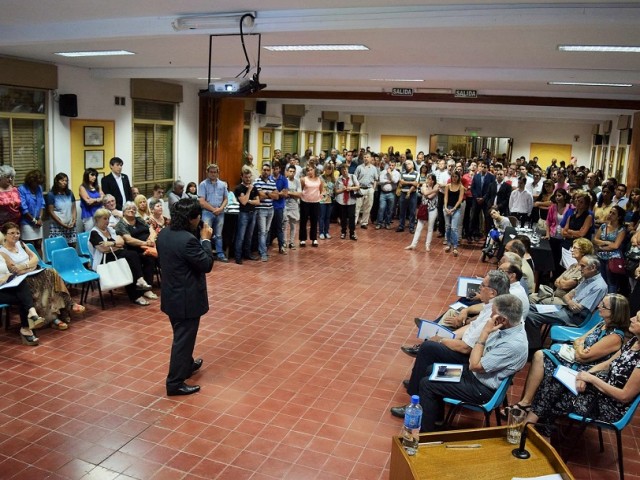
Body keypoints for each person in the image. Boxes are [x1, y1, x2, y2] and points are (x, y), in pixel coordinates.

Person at [524, 307, 640, 436]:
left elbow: (624, 396)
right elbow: (607, 364)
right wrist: (585, 376)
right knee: (554, 380)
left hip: (609, 405)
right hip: (601, 389)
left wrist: (591, 379)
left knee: (555, 392)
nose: (631, 319)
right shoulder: (633, 342)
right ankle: (533, 427)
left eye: (638, 319)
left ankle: (531, 428)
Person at [512, 293, 628, 413]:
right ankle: (526, 402)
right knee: (540, 355)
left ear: (615, 312)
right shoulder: (603, 324)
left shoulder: (615, 337)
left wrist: (580, 348)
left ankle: (529, 405)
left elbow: (582, 357)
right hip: (578, 361)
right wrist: (581, 346)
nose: (599, 306)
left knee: (542, 359)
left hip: (586, 369)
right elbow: (579, 340)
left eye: (604, 305)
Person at [157, 198, 214, 396]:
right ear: (193, 219)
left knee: (183, 336)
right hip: (186, 298)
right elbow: (206, 264)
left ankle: (187, 365)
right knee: (182, 339)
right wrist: (205, 239)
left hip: (171, 294)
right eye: (198, 217)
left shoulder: (164, 233)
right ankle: (174, 383)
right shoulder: (188, 240)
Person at [0, 222, 85, 330]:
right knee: (44, 285)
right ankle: (56, 316)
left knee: (51, 272)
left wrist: (26, 266)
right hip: (22, 280)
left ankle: (65, 307)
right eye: (11, 233)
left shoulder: (21, 244)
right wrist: (30, 265)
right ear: (4, 235)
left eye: (17, 233)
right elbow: (15, 269)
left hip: (33, 272)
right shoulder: (2, 252)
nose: (15, 235)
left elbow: (36, 258)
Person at [525, 254, 608, 350]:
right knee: (529, 307)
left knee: (530, 316)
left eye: (583, 266)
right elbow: (566, 296)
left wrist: (569, 300)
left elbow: (578, 309)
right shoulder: (587, 278)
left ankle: (533, 349)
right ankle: (530, 340)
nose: (580, 268)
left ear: (593, 268)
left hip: (574, 318)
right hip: (565, 309)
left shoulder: (599, 286)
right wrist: (570, 301)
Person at [89, 209, 153, 306]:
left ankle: (138, 289)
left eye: (108, 218)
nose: (107, 221)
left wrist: (112, 244)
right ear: (97, 219)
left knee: (133, 257)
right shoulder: (94, 233)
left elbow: (122, 242)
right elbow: (103, 249)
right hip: (104, 259)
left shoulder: (110, 229)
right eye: (104, 219)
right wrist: (116, 245)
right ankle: (137, 290)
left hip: (117, 254)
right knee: (130, 258)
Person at [0, 239, 45, 346]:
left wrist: (9, 275)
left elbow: (10, 269)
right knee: (24, 299)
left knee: (22, 285)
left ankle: (29, 319)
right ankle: (28, 322)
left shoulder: (1, 254)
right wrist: (4, 279)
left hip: (5, 286)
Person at [529, 238, 594, 305]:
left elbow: (564, 285)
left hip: (563, 301)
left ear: (583, 251)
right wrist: (562, 282)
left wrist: (562, 281)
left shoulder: (583, 270)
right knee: (531, 296)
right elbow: (556, 281)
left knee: (536, 301)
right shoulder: (573, 265)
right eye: (572, 247)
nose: (572, 250)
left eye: (575, 248)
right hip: (554, 294)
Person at [115, 201, 158, 300]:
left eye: (134, 209)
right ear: (124, 211)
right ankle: (139, 289)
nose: (132, 210)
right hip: (132, 250)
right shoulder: (121, 224)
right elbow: (129, 240)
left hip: (147, 247)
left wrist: (151, 239)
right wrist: (145, 243)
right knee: (140, 258)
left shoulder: (139, 219)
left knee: (150, 258)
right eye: (129, 209)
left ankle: (147, 289)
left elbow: (151, 230)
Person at [198, 164, 228, 262]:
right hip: (207, 213)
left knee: (219, 235)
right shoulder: (203, 184)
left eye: (215, 172)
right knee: (205, 233)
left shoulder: (223, 184)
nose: (213, 174)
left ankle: (220, 254)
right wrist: (213, 210)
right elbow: (202, 201)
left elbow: (226, 199)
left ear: (218, 173)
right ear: (207, 172)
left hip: (220, 213)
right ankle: (204, 254)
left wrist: (220, 209)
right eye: (211, 172)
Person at [593, 205, 626, 293]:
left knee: (612, 282)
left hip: (613, 258)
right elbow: (595, 239)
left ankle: (610, 302)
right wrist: (606, 243)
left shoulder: (621, 229)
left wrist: (601, 247)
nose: (610, 214)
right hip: (601, 257)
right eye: (610, 212)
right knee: (601, 281)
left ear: (619, 217)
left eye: (613, 213)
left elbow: (616, 246)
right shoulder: (604, 226)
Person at [234, 166, 260, 264]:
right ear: (242, 177)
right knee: (240, 236)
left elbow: (258, 202)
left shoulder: (254, 187)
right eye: (246, 177)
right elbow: (243, 202)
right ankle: (238, 256)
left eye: (249, 177)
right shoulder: (239, 188)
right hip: (243, 214)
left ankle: (247, 254)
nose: (248, 179)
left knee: (249, 236)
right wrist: (248, 191)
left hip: (253, 213)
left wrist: (248, 200)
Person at [406, 173, 438, 252]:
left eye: (430, 179)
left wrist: (430, 190)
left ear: (433, 180)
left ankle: (427, 245)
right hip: (424, 208)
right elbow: (425, 193)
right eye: (427, 178)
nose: (428, 180)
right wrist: (433, 190)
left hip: (433, 209)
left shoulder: (436, 186)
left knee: (430, 228)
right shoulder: (424, 185)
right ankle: (413, 244)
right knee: (418, 227)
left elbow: (430, 196)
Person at [17, 170, 45, 253]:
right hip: (27, 222)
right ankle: (31, 265)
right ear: (31, 181)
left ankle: (41, 265)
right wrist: (34, 221)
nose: (37, 185)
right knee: (29, 246)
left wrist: (39, 218)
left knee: (39, 244)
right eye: (36, 183)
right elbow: (24, 209)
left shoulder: (39, 188)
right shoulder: (21, 189)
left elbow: (42, 204)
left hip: (38, 221)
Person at [253, 163, 277, 262]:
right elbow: (260, 196)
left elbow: (276, 196)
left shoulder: (272, 181)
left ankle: (261, 249)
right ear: (261, 170)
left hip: (271, 209)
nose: (266, 172)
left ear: (270, 171)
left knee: (266, 231)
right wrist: (270, 194)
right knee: (262, 232)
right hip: (261, 209)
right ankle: (263, 253)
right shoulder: (257, 181)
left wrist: (266, 193)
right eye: (264, 170)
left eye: (268, 170)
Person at [46, 172, 77, 246]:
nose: (64, 183)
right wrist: (62, 224)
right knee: (60, 246)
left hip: (70, 224)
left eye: (66, 181)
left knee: (72, 246)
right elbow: (51, 211)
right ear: (57, 181)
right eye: (62, 180)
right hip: (58, 225)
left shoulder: (69, 193)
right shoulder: (51, 194)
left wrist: (74, 220)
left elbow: (73, 208)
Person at [299, 165, 323, 247]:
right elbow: (301, 189)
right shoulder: (303, 179)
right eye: (308, 170)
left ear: (314, 170)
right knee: (303, 221)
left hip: (315, 202)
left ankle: (314, 239)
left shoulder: (319, 179)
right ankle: (302, 239)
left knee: (314, 221)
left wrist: (319, 196)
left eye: (311, 170)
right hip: (305, 202)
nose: (310, 171)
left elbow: (320, 190)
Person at [334, 163, 359, 241]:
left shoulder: (352, 176)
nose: (344, 171)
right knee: (343, 218)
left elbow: (358, 187)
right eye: (343, 169)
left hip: (351, 200)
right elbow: (336, 191)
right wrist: (342, 189)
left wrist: (350, 188)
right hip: (342, 201)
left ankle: (352, 233)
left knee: (351, 217)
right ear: (341, 171)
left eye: (346, 169)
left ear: (348, 169)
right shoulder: (339, 179)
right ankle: (343, 232)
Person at [353, 152, 379, 229]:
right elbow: (355, 178)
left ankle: (364, 223)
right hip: (360, 189)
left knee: (368, 207)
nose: (366, 158)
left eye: (367, 157)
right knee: (357, 207)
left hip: (369, 189)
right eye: (364, 157)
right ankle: (354, 222)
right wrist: (357, 187)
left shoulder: (374, 168)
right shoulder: (359, 167)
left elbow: (375, 179)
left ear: (371, 158)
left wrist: (373, 189)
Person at [443, 170, 465, 257]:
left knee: (454, 228)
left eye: (456, 176)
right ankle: (449, 244)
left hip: (456, 209)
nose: (454, 178)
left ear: (459, 177)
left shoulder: (461, 187)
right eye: (453, 176)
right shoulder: (448, 186)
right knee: (447, 227)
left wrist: (453, 209)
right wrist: (445, 207)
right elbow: (445, 198)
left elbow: (460, 200)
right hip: (447, 207)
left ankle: (455, 247)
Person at [376, 159, 400, 230]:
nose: (391, 166)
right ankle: (379, 223)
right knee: (381, 208)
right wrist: (388, 181)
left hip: (392, 193)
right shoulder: (383, 171)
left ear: (395, 166)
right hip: (383, 193)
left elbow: (395, 181)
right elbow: (380, 181)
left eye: (392, 165)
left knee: (390, 209)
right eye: (390, 165)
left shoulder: (397, 173)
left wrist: (390, 174)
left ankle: (387, 223)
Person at [284, 164, 301, 250]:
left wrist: (290, 193)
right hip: (285, 205)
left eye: (293, 171)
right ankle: (284, 242)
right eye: (290, 171)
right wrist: (292, 193)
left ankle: (291, 242)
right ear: (287, 172)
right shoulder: (284, 181)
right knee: (285, 224)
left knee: (293, 225)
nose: (292, 173)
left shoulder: (297, 182)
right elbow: (283, 193)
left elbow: (299, 194)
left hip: (294, 205)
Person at [319, 162, 336, 240]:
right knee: (322, 216)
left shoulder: (333, 179)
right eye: (327, 168)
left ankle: (326, 232)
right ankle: (321, 232)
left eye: (330, 169)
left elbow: (335, 190)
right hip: (322, 199)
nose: (329, 170)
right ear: (324, 169)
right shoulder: (320, 177)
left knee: (328, 217)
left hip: (330, 199)